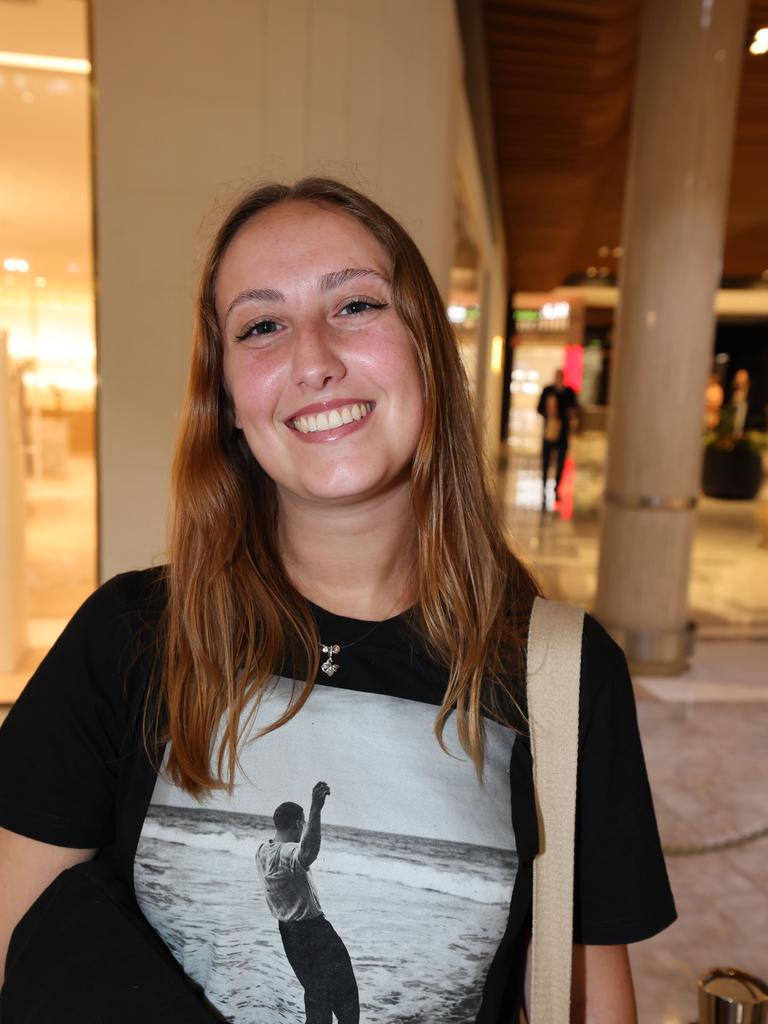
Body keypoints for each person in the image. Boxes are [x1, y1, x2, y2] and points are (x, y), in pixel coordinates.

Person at [0, 178, 675, 1023]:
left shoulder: (559, 673)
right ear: (230, 404)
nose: (312, 358)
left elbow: (584, 996)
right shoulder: (126, 639)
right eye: (261, 325)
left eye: (355, 305)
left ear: (428, 349)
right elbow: (21, 949)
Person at [256, 783, 359, 1024]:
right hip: (314, 933)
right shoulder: (288, 853)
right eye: (301, 824)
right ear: (296, 824)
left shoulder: (262, 852)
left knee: (317, 1001)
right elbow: (307, 852)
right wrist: (316, 808)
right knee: (347, 1003)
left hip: (289, 936)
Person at [537, 368, 579, 504]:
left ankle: (556, 488)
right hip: (549, 431)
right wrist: (549, 412)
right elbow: (539, 408)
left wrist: (570, 413)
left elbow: (575, 409)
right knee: (546, 461)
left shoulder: (569, 392)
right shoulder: (548, 390)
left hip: (563, 433)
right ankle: (543, 488)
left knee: (561, 462)